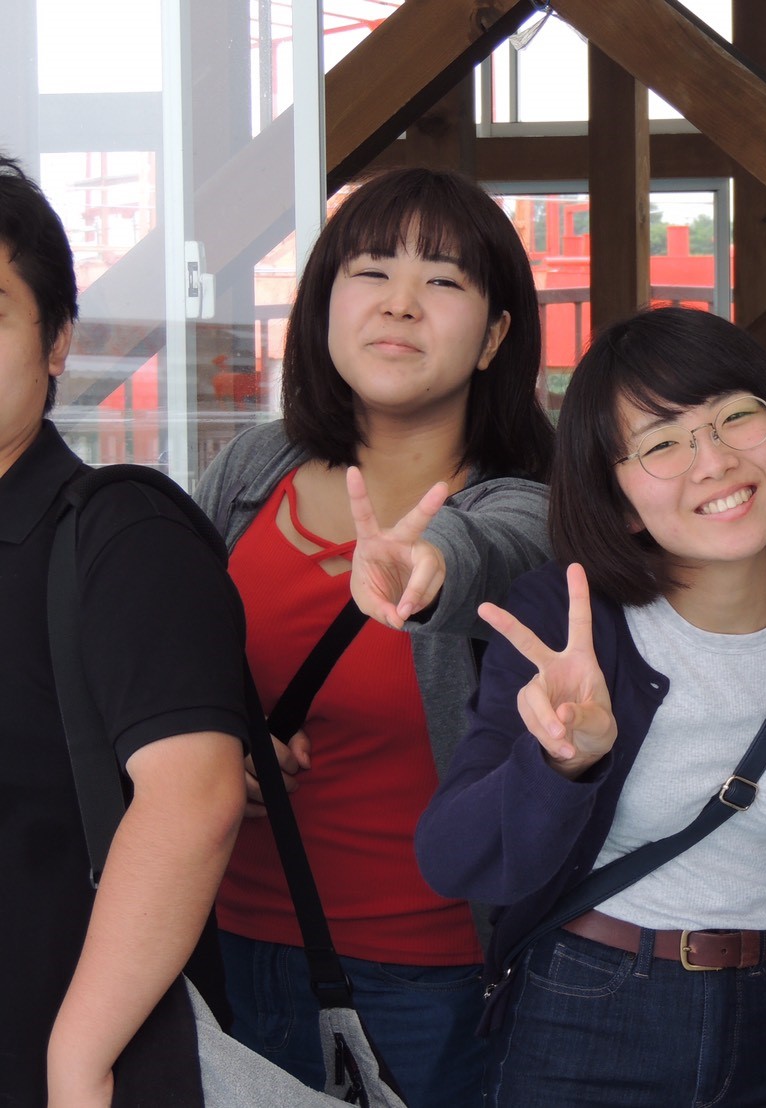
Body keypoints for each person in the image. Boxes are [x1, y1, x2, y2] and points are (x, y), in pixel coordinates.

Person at [415, 306, 766, 1107]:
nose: (715, 461)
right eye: (662, 444)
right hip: (587, 1011)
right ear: (619, 497)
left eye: (736, 417)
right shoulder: (563, 617)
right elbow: (457, 859)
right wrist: (559, 763)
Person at [193, 166, 555, 1107]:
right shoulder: (250, 470)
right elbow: (170, 645)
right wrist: (216, 742)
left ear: (495, 335)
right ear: (324, 304)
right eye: (372, 272)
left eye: (443, 280)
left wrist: (428, 561)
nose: (401, 303)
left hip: (430, 981)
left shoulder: (531, 506)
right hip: (219, 945)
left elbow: (492, 548)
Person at [0, 153, 249, 1105]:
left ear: (57, 341)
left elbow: (194, 798)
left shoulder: (119, 533)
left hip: (69, 1063)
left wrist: (78, 1060)